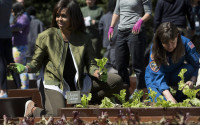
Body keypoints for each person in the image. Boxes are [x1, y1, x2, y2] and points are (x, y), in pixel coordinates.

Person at [8, 0, 123, 117]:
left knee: (116, 80)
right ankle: (32, 109)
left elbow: (91, 64)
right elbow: (35, 63)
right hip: (53, 83)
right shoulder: (46, 36)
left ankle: (83, 103)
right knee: (56, 116)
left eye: (63, 16)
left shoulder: (84, 38)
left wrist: (98, 73)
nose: (59, 19)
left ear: (74, 17)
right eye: (57, 16)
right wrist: (25, 68)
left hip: (78, 82)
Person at [145, 22, 200, 103]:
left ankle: (181, 96)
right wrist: (170, 98)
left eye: (173, 42)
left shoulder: (186, 43)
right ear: (160, 41)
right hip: (156, 77)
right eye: (166, 44)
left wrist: (192, 80)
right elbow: (158, 77)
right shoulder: (155, 48)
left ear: (177, 36)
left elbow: (196, 64)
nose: (170, 47)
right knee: (162, 102)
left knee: (189, 69)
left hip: (175, 73)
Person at [108, 0, 152, 94]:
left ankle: (141, 93)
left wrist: (140, 21)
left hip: (135, 31)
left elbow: (148, 13)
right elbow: (117, 12)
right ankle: (125, 93)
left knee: (137, 64)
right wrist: (111, 27)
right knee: (120, 64)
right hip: (121, 32)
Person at [0, 0, 21, 98]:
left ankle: (3, 90)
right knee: (10, 61)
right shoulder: (8, 1)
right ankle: (19, 85)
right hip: (7, 34)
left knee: (1, 63)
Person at [10, 2, 30, 89]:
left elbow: (18, 27)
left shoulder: (23, 17)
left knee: (21, 68)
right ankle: (23, 87)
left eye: (13, 11)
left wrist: (7, 27)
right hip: (20, 45)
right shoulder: (22, 17)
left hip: (19, 46)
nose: (12, 13)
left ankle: (24, 88)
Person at [98, 0, 118, 73]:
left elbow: (100, 29)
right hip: (117, 42)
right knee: (114, 62)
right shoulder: (120, 17)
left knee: (105, 61)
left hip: (107, 42)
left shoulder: (104, 17)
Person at [26, 6, 44, 80]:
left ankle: (30, 83)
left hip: (27, 46)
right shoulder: (39, 22)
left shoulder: (25, 22)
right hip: (37, 47)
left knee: (28, 65)